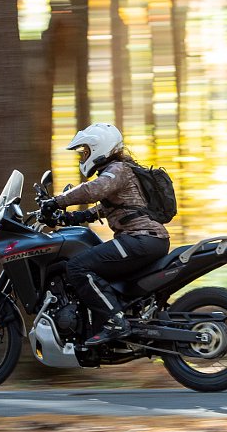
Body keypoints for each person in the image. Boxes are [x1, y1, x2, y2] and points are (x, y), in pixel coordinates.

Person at [39, 123, 170, 346]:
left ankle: (116, 322)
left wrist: (56, 201)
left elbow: (94, 190)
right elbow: (112, 207)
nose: (83, 157)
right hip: (145, 240)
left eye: (86, 151)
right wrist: (72, 218)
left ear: (100, 148)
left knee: (77, 267)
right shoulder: (120, 171)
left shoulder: (117, 169)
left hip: (141, 239)